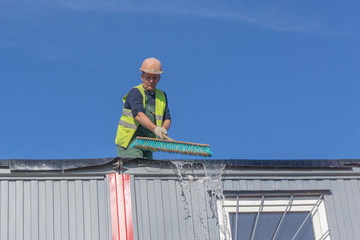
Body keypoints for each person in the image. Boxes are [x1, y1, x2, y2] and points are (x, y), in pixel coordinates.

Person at [115, 57, 171, 159]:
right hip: (130, 141)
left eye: (155, 78)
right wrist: (156, 129)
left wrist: (163, 129)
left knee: (147, 170)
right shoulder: (135, 92)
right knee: (137, 167)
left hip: (147, 143)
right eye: (148, 77)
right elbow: (139, 115)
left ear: (159, 78)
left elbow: (167, 118)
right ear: (142, 77)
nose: (151, 80)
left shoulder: (162, 95)